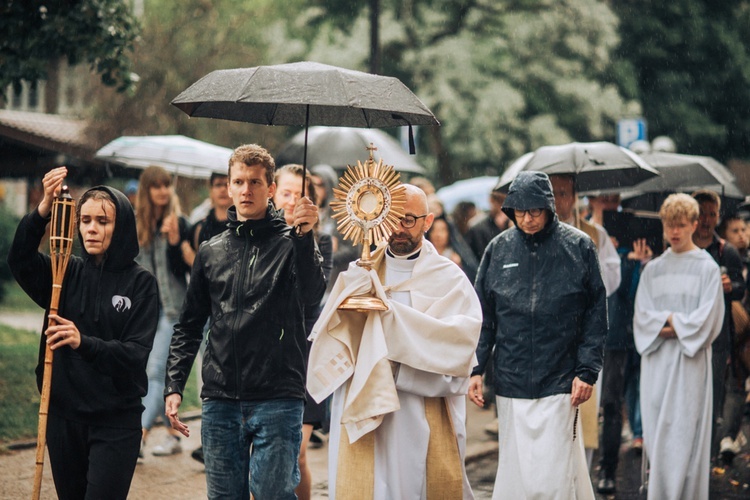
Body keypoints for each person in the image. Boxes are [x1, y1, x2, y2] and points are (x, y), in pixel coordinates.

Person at [164, 144, 326, 499]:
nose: (246, 190)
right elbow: (190, 324)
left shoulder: (292, 243)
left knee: (272, 495)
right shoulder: (211, 250)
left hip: (278, 396)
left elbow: (313, 297)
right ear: (229, 186)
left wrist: (304, 238)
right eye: (238, 181)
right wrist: (174, 384)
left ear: (270, 189)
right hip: (221, 398)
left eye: (255, 182)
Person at [307, 184, 482, 499]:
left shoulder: (449, 279)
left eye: (409, 220)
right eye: (392, 219)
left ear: (428, 222)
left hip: (416, 413)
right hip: (361, 403)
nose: (398, 228)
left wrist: (395, 352)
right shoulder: (359, 274)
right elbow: (337, 337)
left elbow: (457, 351)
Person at [7, 166, 159, 499]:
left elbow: (134, 355)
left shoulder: (141, 284)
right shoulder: (64, 272)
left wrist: (82, 342)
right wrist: (43, 209)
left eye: (102, 222)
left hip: (115, 421)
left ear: (121, 227)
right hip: (63, 417)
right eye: (85, 220)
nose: (91, 229)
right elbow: (19, 260)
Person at [469, 171, 607, 499]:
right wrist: (474, 367)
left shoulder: (578, 246)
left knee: (554, 475)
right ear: (510, 210)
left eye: (535, 211)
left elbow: (595, 315)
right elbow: (482, 316)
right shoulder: (498, 249)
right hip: (511, 378)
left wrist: (587, 371)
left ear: (549, 208)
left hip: (561, 378)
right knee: (517, 474)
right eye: (520, 211)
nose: (528, 219)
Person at [634, 193, 724, 499]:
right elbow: (642, 319)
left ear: (694, 224)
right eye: (670, 225)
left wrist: (667, 323)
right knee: (658, 431)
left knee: (688, 430)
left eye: (681, 225)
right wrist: (678, 322)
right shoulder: (653, 269)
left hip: (689, 362)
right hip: (657, 364)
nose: (674, 232)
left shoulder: (707, 268)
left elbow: (707, 320)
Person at [549, 174, 621, 467]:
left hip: (583, 332)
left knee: (584, 405)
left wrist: (588, 272)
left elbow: (611, 279)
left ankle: (584, 472)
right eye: (552, 193)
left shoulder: (595, 234)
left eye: (563, 193)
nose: (557, 200)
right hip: (552, 334)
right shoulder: (538, 233)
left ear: (576, 196)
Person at [272, 164, 333, 500]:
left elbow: (312, 297)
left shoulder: (321, 240)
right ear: (273, 193)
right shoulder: (260, 237)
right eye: (286, 193)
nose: (292, 201)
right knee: (263, 454)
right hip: (266, 356)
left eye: (299, 195)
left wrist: (301, 238)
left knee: (296, 452)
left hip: (304, 356)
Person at [135, 165, 194, 457]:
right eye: (155, 186)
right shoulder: (137, 225)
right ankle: (171, 434)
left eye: (166, 185)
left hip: (173, 311)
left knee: (157, 370)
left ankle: (139, 437)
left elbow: (184, 270)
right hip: (145, 311)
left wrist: (174, 242)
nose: (162, 191)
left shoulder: (180, 223)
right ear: (146, 190)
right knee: (152, 375)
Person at [691, 190, 746, 459]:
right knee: (689, 396)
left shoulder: (727, 251)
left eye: (712, 214)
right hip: (687, 334)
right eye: (702, 213)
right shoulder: (681, 247)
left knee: (712, 396)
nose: (707, 220)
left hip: (718, 336)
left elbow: (740, 289)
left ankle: (708, 455)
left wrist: (729, 286)